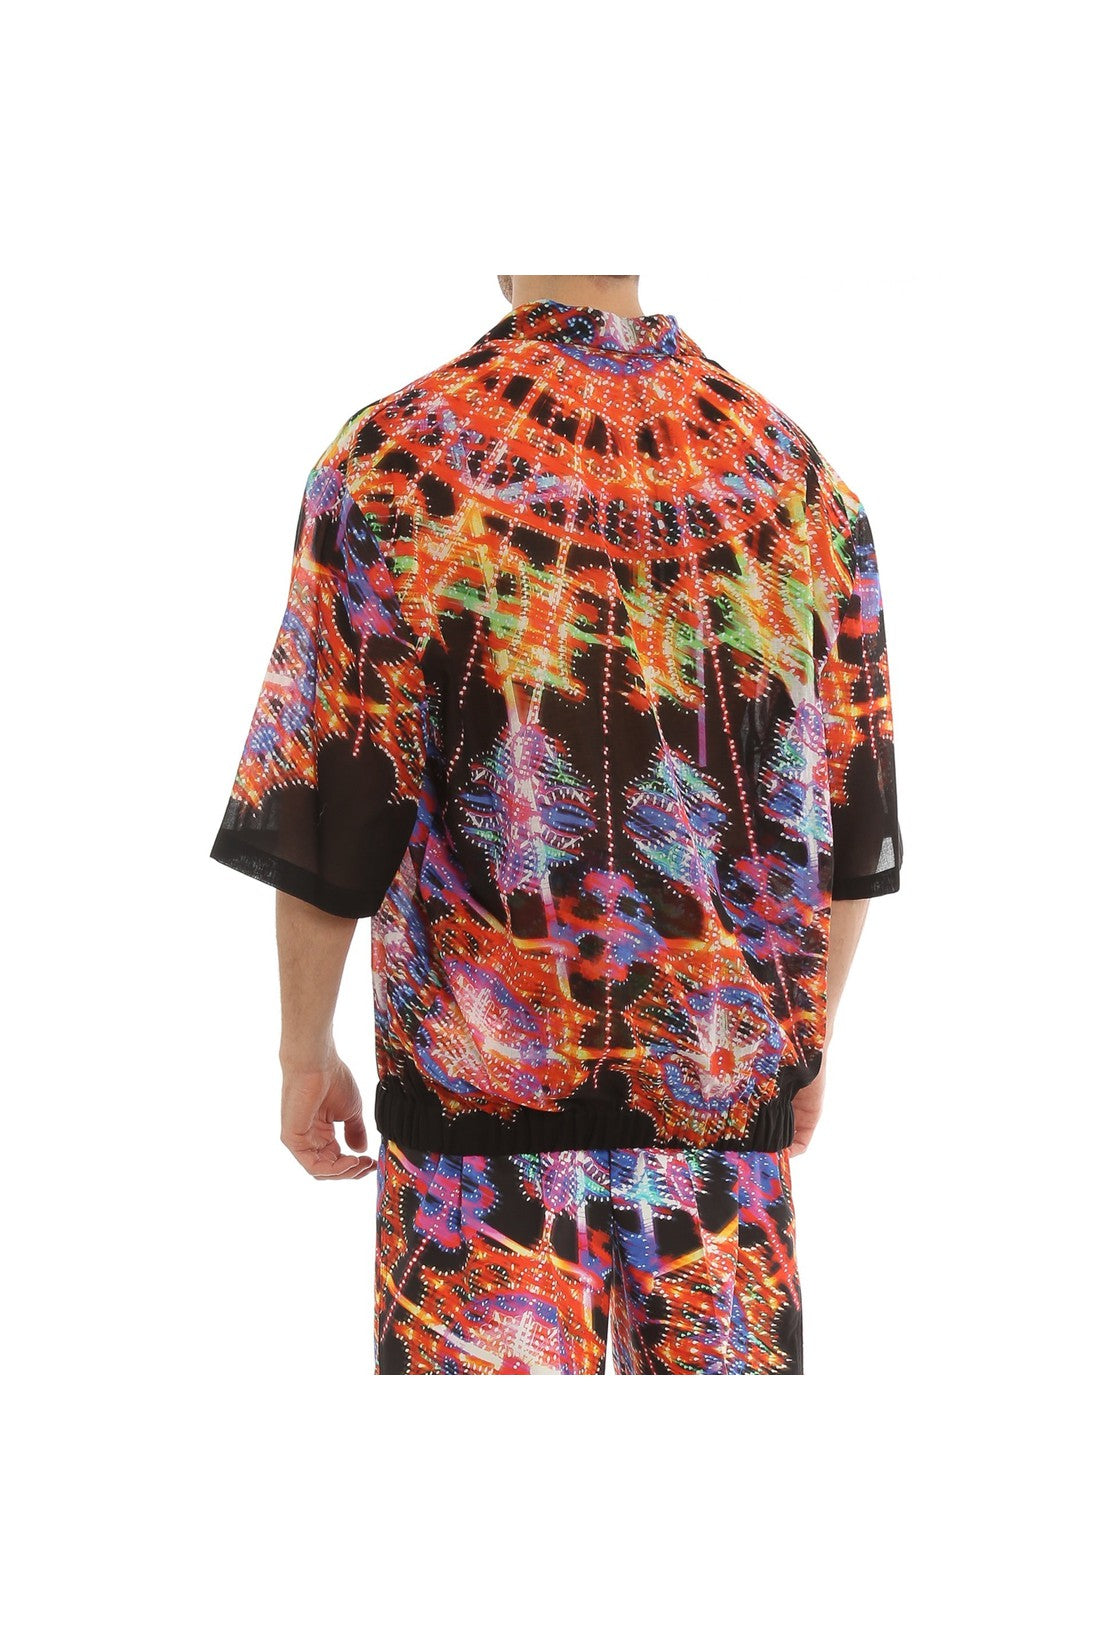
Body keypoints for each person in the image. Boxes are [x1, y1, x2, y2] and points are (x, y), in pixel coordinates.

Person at [210, 274, 903, 1375]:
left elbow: (332, 794)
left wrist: (304, 1051)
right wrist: (803, 1039)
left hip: (475, 1132)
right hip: (719, 1115)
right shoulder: (796, 478)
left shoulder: (394, 460)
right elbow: (848, 803)